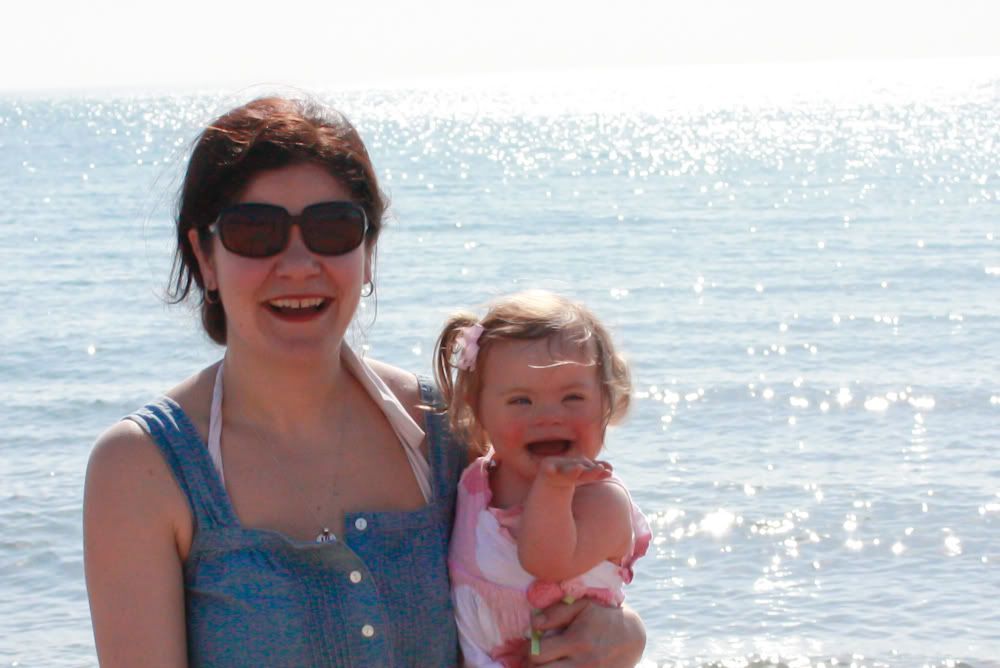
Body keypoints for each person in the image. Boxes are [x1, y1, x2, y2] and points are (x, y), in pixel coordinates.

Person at [83, 96, 647, 667]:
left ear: (369, 251)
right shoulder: (145, 467)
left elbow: (550, 591)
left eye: (333, 228)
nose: (299, 263)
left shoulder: (447, 432)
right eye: (256, 231)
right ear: (204, 255)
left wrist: (621, 634)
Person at [434, 291, 651, 667]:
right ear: (477, 410)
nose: (549, 416)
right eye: (521, 401)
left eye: (572, 398)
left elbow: (545, 562)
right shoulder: (475, 481)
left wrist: (554, 488)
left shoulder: (600, 501)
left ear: (607, 401)